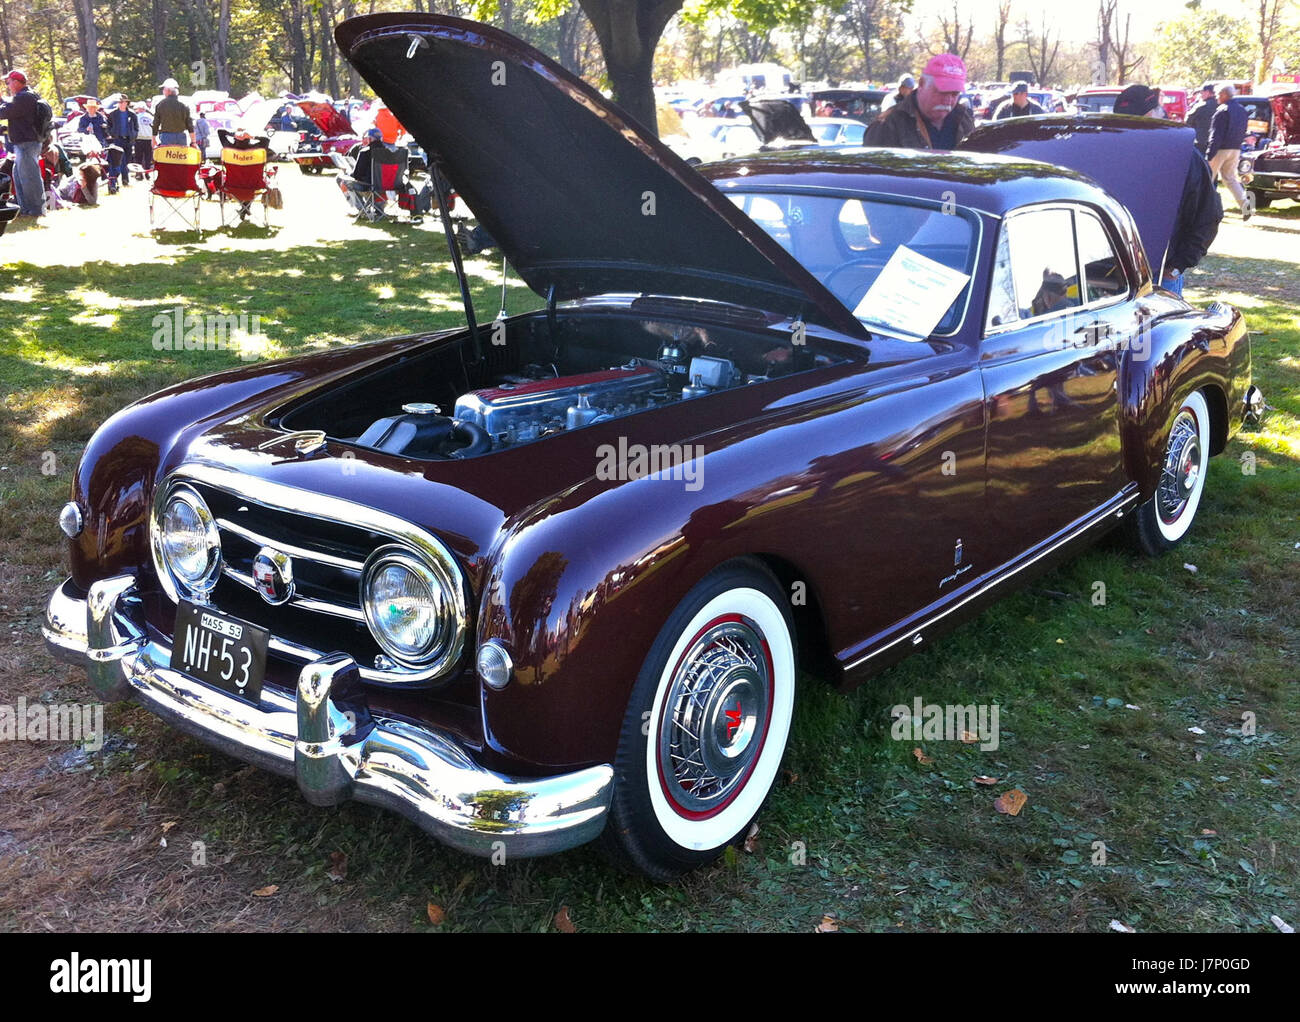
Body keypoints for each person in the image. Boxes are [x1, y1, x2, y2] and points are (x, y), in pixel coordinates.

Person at [864, 54, 973, 149]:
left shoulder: (964, 119)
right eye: (942, 92)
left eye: (955, 94)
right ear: (921, 83)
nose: (948, 100)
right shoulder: (887, 125)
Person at [0, 69, 44, 218]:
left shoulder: (24, 97)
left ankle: (36, 210)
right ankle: (25, 209)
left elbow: (5, 112)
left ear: (17, 82)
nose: (8, 85)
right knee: (19, 176)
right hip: (25, 143)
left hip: (27, 143)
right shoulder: (26, 96)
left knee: (29, 177)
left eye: (9, 82)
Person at [1206, 84, 1250, 220]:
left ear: (1224, 95)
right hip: (1235, 149)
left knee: (1207, 179)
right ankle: (1246, 205)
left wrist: (1209, 154)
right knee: (1230, 179)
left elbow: (1216, 135)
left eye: (1219, 95)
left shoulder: (1222, 110)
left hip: (1220, 149)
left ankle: (1206, 211)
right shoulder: (1242, 110)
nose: (1217, 98)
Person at [106, 95, 138, 191]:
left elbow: (136, 127)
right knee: (120, 160)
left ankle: (125, 178)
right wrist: (112, 133)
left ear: (126, 103)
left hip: (128, 140)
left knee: (127, 160)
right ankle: (122, 179)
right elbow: (108, 125)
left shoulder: (132, 114)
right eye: (119, 102)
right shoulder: (113, 114)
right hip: (118, 139)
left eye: (122, 102)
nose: (121, 104)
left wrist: (133, 135)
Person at [153, 78, 193, 147]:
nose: (163, 91)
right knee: (180, 156)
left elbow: (156, 124)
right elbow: (190, 125)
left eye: (163, 89)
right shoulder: (184, 106)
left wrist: (153, 139)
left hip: (166, 137)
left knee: (167, 157)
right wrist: (193, 141)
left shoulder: (160, 105)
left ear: (167, 91)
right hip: (181, 137)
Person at [1185, 82, 1217, 154]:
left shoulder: (1201, 106)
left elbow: (1188, 120)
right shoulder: (1220, 106)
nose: (1201, 94)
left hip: (1200, 141)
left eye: (1202, 92)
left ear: (1207, 92)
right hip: (1216, 142)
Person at [134, 102, 153, 169]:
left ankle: (139, 173)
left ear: (139, 109)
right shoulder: (151, 117)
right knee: (148, 157)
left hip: (139, 139)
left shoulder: (136, 117)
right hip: (149, 139)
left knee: (139, 157)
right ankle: (147, 172)